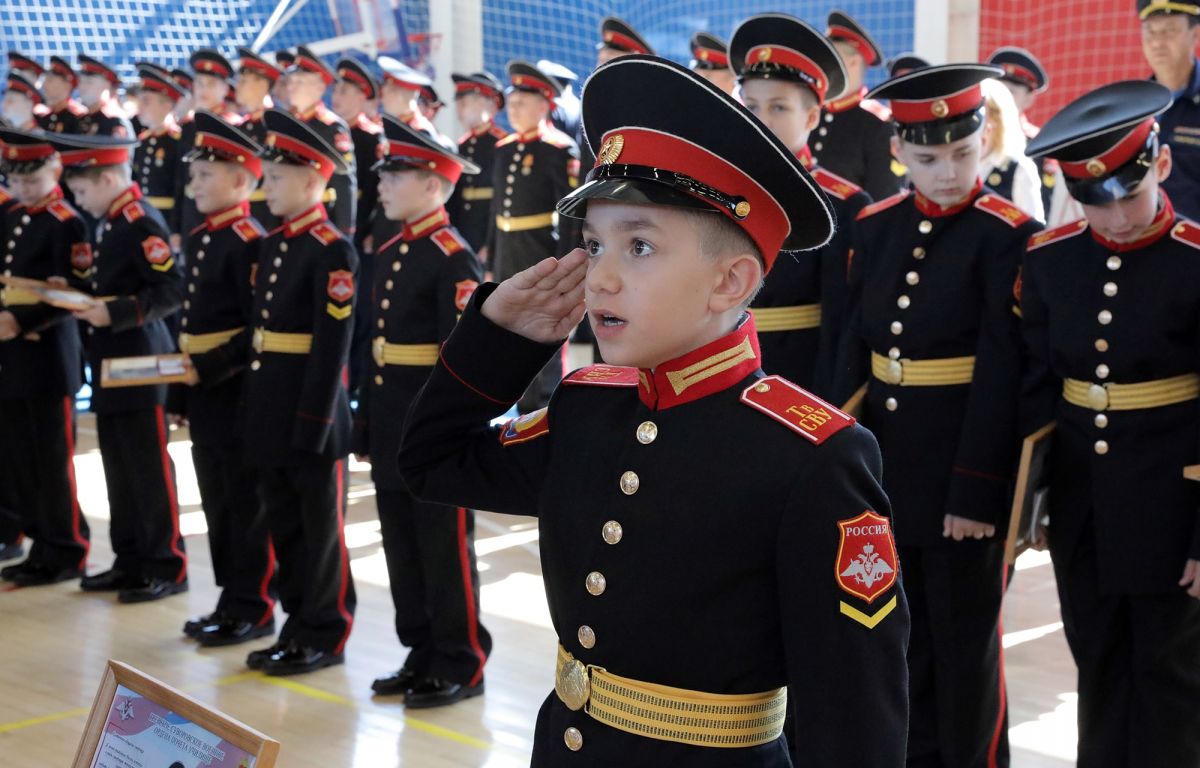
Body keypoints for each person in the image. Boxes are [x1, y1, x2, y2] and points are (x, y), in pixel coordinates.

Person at [398, 54, 908, 766]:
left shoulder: (811, 458)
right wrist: (497, 340)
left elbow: (854, 723)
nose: (600, 277)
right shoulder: (586, 408)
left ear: (730, 281)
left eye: (639, 246)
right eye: (593, 244)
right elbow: (430, 463)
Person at [835, 63, 1042, 768]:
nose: (948, 173)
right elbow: (854, 353)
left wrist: (977, 491)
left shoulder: (1008, 233)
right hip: (887, 472)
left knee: (965, 657)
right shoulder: (875, 227)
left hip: (962, 476)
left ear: (985, 140)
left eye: (962, 152)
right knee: (899, 645)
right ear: (899, 152)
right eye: (928, 159)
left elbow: (1005, 373)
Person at [1021, 79, 1200, 768]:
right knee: (1096, 662)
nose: (1118, 217)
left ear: (1161, 164)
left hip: (1173, 505)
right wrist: (1030, 502)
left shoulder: (1192, 259)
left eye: (1131, 194)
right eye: (1097, 201)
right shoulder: (1051, 259)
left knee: (1170, 675)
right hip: (1083, 504)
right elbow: (1037, 389)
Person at [354, 116, 489, 707]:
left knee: (442, 546)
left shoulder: (451, 257)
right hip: (391, 421)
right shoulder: (392, 250)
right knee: (401, 544)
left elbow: (462, 361)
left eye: (396, 175)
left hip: (432, 430)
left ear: (433, 185)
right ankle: (420, 651)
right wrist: (365, 421)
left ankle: (460, 659)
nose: (382, 185)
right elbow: (375, 347)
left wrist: (451, 432)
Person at [240, 108, 357, 676]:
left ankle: (324, 631)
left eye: (277, 177)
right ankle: (295, 625)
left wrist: (313, 420)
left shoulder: (332, 249)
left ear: (313, 180)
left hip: (311, 414)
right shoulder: (273, 244)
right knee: (284, 525)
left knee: (319, 531)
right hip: (271, 407)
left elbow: (331, 348)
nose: (266, 187)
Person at [51, 132, 187, 603]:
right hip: (112, 359)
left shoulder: (138, 220)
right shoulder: (111, 220)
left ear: (108, 180)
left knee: (147, 467)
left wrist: (117, 312)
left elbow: (170, 289)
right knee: (119, 466)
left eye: (82, 190)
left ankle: (166, 563)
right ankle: (130, 559)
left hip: (141, 359)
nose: (79, 200)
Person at [174, 111, 276, 648]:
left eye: (205, 175)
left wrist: (209, 368)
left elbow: (256, 327)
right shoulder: (203, 236)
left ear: (240, 181)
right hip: (202, 390)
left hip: (233, 389)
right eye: (193, 175)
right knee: (214, 497)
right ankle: (229, 598)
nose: (193, 184)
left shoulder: (247, 240)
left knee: (242, 500)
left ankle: (253, 604)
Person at [730, 13, 871, 396]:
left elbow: (841, 320)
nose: (761, 121)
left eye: (778, 108)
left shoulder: (842, 204)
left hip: (801, 376)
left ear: (811, 116)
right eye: (751, 106)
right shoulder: (719, 191)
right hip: (724, 368)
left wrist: (831, 400)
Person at [0, 129, 90, 585]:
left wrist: (22, 320)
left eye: (32, 180)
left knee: (53, 460)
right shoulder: (14, 215)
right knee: (22, 456)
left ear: (54, 171)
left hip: (49, 355)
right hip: (13, 354)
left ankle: (67, 548)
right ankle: (40, 543)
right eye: (16, 181)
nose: (23, 189)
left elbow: (74, 293)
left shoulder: (66, 221)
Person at [485, 61, 579, 412]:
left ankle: (548, 405)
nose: (513, 109)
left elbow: (569, 215)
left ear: (544, 105)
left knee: (545, 328)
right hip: (508, 252)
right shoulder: (504, 147)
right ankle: (520, 403)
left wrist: (566, 263)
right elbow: (497, 209)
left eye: (522, 103)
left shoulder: (558, 148)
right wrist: (491, 256)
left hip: (540, 251)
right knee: (510, 331)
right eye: (511, 103)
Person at [810, 11, 905, 201]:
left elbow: (883, 201)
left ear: (852, 62)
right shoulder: (811, 112)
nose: (820, 65)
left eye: (829, 58)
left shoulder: (878, 124)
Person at [286, 47, 357, 238]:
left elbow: (344, 182)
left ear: (319, 88)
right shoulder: (288, 123)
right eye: (291, 81)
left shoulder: (331, 127)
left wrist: (345, 232)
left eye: (299, 82)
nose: (291, 87)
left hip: (322, 222)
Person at [1139, 0, 1200, 219]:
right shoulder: (1132, 109)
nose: (1157, 42)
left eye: (1169, 30)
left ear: (1195, 34)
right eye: (1150, 31)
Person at [176, 50, 242, 243]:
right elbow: (180, 179)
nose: (203, 90)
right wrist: (176, 227)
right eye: (199, 83)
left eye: (211, 84)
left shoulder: (233, 126)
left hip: (221, 214)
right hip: (190, 216)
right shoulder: (188, 126)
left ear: (225, 89)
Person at [986, 46, 1056, 216]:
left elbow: (1046, 205)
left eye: (1010, 92)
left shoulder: (1040, 144)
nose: (1000, 98)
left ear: (1029, 98)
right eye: (997, 89)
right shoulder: (976, 136)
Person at [446, 70, 507, 253]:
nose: (458, 111)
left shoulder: (502, 144)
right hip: (464, 231)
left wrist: (491, 243)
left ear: (482, 104)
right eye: (458, 104)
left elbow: (503, 200)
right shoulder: (462, 145)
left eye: (463, 104)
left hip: (487, 231)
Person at [979, 78, 1044, 221]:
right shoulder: (956, 163)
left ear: (998, 120)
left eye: (983, 116)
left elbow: (1033, 227)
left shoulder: (1019, 168)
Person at [132, 65, 185, 234]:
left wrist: (176, 228)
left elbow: (180, 189)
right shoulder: (142, 141)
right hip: (143, 216)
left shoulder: (177, 141)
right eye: (140, 100)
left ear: (167, 105)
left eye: (146, 101)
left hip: (166, 219)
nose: (140, 107)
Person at [235, 47, 283, 230]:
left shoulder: (277, 125)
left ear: (263, 85)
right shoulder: (240, 126)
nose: (237, 86)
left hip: (269, 215)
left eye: (243, 81)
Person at [75, 55, 132, 138]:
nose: (82, 87)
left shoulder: (114, 121)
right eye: (80, 82)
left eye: (89, 82)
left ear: (106, 86)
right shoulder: (81, 119)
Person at [38, 57, 88, 134]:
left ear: (67, 85)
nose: (44, 86)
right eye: (44, 81)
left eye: (50, 80)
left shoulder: (79, 117)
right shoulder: (43, 116)